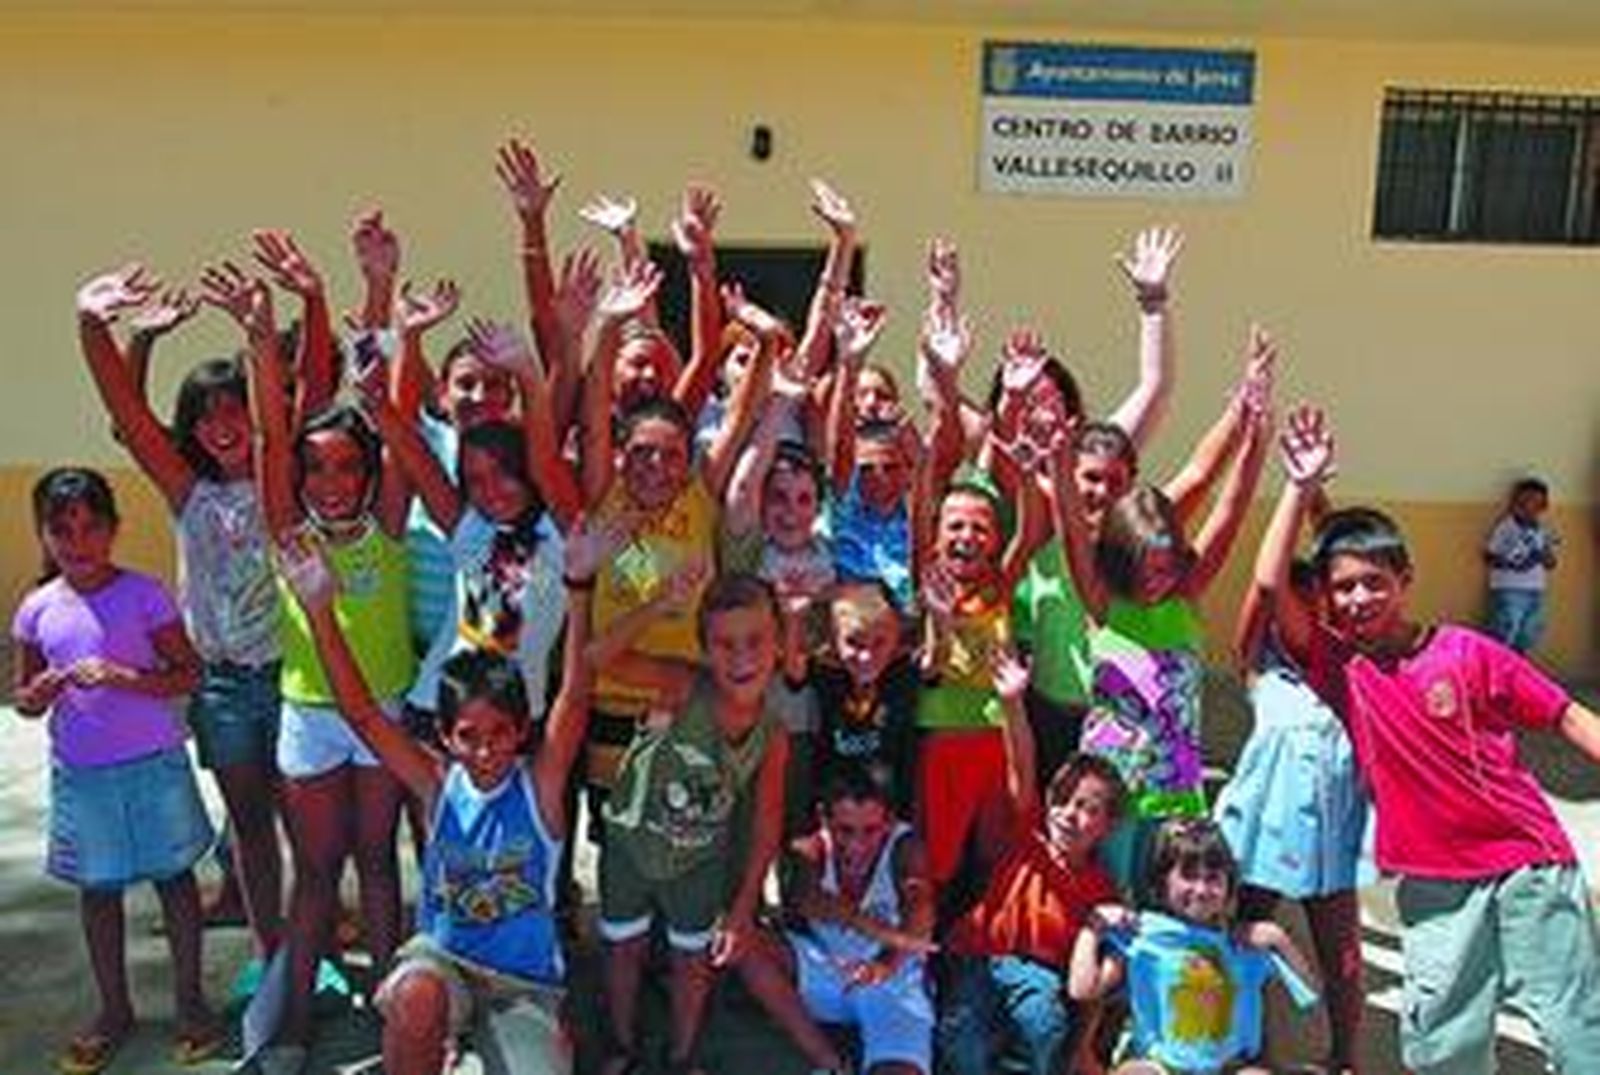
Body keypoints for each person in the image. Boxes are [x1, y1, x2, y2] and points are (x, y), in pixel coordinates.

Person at [1258, 406, 1600, 1075]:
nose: (1358, 598)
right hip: (1434, 881)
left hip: (1526, 859)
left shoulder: (1468, 651)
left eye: (1374, 583)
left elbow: (1565, 713)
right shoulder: (1341, 670)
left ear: (1406, 580)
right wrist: (1299, 489)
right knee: (1445, 1045)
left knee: (1572, 1028)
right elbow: (1272, 584)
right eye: (1343, 588)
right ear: (1327, 601)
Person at [276, 518, 617, 1075]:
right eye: (469, 737)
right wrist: (319, 611)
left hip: (524, 985)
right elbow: (362, 713)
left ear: (521, 732)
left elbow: (576, 695)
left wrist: (581, 588)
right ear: (445, 737)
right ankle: (430, 1048)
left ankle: (494, 1046)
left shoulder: (540, 786)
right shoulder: (437, 785)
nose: (484, 752)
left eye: (499, 735)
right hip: (444, 964)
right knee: (413, 998)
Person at [204, 259, 415, 1067]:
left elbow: (387, 411)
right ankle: (292, 1022)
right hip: (311, 717)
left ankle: (399, 1011)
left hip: (385, 716)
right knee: (318, 871)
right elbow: (266, 436)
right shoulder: (288, 529)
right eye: (316, 467)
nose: (331, 481)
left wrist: (380, 288)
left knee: (379, 861)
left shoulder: (391, 522)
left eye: (347, 466)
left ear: (368, 473)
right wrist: (260, 338)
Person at [75, 264, 285, 968]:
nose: (222, 426)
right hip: (222, 688)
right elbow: (128, 418)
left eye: (235, 410)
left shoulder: (282, 477)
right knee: (252, 828)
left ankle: (309, 942)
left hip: (292, 678)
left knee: (308, 829)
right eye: (206, 415)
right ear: (190, 430)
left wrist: (263, 326)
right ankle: (271, 953)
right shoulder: (186, 489)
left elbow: (296, 389)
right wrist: (99, 327)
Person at [1047, 327, 1275, 896]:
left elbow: (1229, 507)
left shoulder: (1186, 596)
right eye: (1146, 568)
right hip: (1111, 798)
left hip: (1177, 793)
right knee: (1116, 907)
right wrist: (1055, 455)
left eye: (1167, 566)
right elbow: (1073, 527)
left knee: (1173, 910)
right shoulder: (1103, 600)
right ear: (1121, 558)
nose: (1158, 579)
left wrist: (1255, 431)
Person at [12, 468, 221, 1073]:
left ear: (114, 529)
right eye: (63, 530)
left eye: (91, 527)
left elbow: (190, 674)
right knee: (97, 890)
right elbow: (24, 699)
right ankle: (113, 1009)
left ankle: (189, 1002)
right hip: (83, 776)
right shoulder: (37, 609)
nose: (79, 543)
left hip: (154, 766)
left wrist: (130, 677)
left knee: (175, 880)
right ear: (45, 535)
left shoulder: (145, 594)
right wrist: (40, 693)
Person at [597, 574, 793, 1075]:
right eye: (725, 644)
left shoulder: (772, 735)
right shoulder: (684, 686)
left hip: (698, 860)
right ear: (704, 649)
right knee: (624, 951)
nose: (741, 657)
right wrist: (659, 602)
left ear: (779, 644)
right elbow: (599, 660)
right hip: (631, 846)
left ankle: (683, 1057)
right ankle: (621, 1047)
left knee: (693, 961)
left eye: (755, 641)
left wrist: (744, 910)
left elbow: (767, 825)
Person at [1213, 486, 1368, 1073]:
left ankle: (1345, 1058)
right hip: (1258, 832)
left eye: (1319, 598)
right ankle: (1252, 1050)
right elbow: (1268, 585)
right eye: (1301, 600)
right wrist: (1294, 495)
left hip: (1330, 832)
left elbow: (1344, 564)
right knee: (1242, 938)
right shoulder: (1258, 664)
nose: (1308, 609)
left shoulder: (1346, 665)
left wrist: (1321, 508)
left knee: (1343, 958)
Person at [937, 653, 1125, 1075]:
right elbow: (1021, 767)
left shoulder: (1100, 888)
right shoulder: (1029, 836)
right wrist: (1012, 704)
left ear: (1108, 826)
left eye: (1086, 808)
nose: (1067, 814)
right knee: (962, 1042)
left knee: (1045, 1030)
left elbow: (1097, 972)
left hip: (1039, 974)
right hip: (980, 955)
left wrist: (1085, 1046)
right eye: (1060, 800)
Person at [1069, 818, 1319, 1074]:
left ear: (1228, 887)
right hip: (1160, 1064)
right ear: (1163, 882)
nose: (1200, 890)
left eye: (1212, 879)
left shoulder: (1241, 943)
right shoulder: (1143, 935)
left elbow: (1308, 989)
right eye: (1188, 876)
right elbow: (1082, 989)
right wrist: (1093, 926)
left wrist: (1280, 939)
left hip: (1227, 1067)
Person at [733, 764, 936, 1074]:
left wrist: (887, 960)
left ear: (890, 822)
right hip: (829, 971)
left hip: (891, 982)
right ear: (823, 819)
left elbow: (920, 904)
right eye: (845, 830)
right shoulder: (808, 848)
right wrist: (874, 927)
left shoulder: (906, 846)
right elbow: (808, 900)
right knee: (745, 942)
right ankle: (829, 1063)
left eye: (870, 831)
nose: (857, 845)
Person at [1483, 475, 1559, 654]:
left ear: (1543, 507)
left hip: (1535, 589)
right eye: (1522, 503)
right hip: (1509, 588)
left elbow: (1551, 562)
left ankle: (1517, 664)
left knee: (1529, 631)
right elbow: (1489, 555)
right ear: (1513, 504)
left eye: (1534, 504)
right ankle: (1497, 663)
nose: (1527, 509)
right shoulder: (1506, 527)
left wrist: (1544, 556)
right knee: (1505, 628)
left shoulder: (1543, 530)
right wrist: (1511, 564)